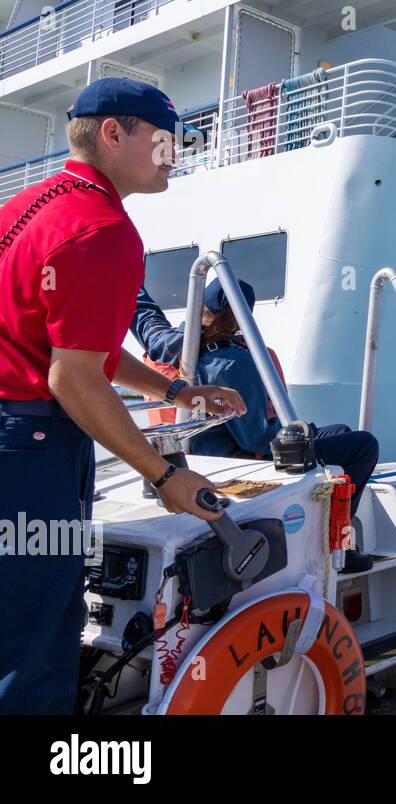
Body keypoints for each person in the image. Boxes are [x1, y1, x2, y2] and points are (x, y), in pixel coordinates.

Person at [0, 78, 247, 714]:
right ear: (115, 133)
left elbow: (77, 348)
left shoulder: (23, 210)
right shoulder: (101, 229)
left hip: (13, 436)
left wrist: (178, 388)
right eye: (165, 141)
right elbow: (73, 378)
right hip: (31, 451)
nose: (175, 155)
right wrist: (164, 475)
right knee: (35, 631)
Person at [132, 279, 379, 572]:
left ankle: (329, 524)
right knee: (363, 445)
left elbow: (146, 319)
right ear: (243, 317)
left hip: (204, 454)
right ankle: (336, 547)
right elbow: (258, 440)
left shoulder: (181, 348)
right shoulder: (233, 361)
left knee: (338, 432)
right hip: (244, 460)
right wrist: (298, 432)